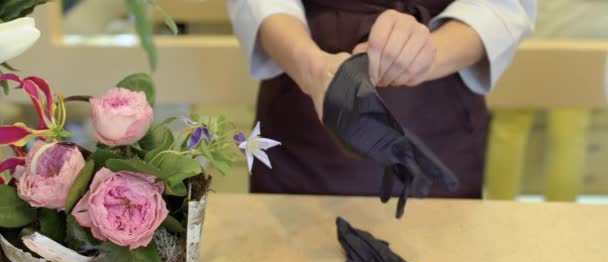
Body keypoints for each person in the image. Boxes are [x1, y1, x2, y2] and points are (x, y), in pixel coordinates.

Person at [227, 0, 536, 198]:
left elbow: (506, 6)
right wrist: (309, 65)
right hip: (302, 93)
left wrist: (428, 53)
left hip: (442, 107)